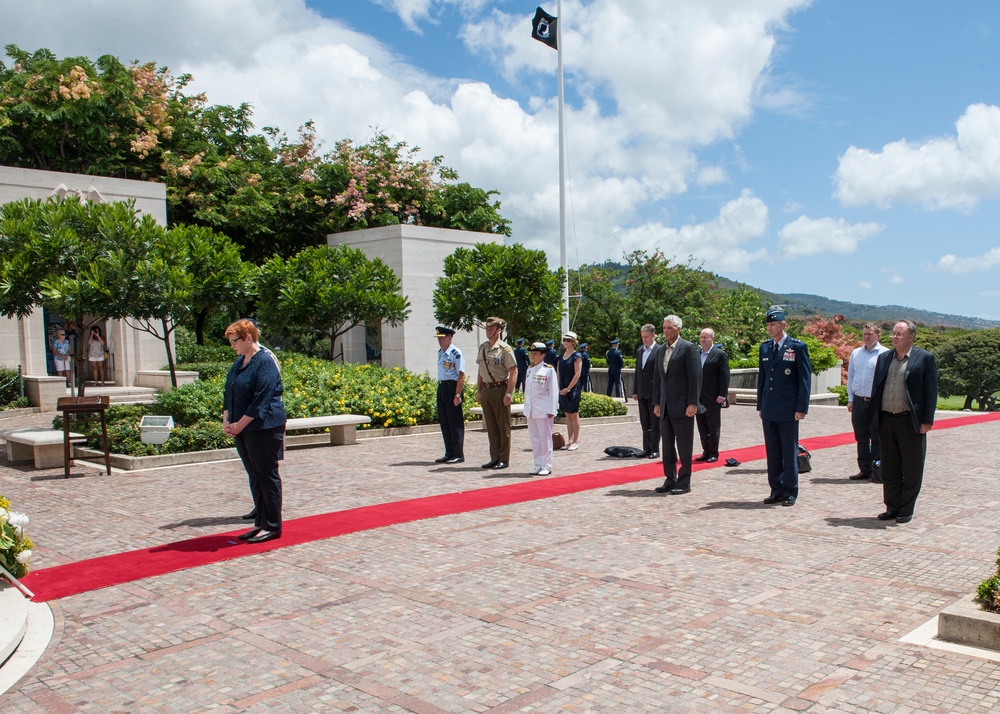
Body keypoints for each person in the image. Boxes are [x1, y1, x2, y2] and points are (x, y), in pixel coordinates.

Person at [223, 319, 287, 544]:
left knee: (266, 475)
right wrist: (227, 419)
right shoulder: (239, 362)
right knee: (255, 476)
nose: (232, 346)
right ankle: (260, 523)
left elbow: (262, 399)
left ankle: (272, 526)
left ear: (248, 338)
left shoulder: (265, 361)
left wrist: (239, 424)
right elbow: (229, 391)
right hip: (242, 428)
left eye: (235, 341)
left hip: (264, 427)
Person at [868, 320, 937, 524]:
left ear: (911, 337)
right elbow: (876, 389)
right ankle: (892, 506)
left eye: (900, 334)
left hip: (910, 421)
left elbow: (930, 392)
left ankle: (906, 509)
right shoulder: (884, 358)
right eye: (894, 334)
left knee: (912, 468)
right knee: (889, 468)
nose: (895, 337)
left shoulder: (924, 358)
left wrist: (926, 421)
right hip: (887, 420)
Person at [756, 307, 811, 507]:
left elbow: (804, 379)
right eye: (768, 325)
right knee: (772, 451)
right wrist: (760, 405)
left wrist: (801, 407)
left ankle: (789, 491)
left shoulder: (796, 347)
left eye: (773, 325)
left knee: (789, 452)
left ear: (783, 325)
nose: (770, 328)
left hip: (788, 408)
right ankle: (776, 489)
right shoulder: (764, 348)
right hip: (770, 407)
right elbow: (762, 379)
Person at [652, 315, 702, 495]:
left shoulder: (688, 348)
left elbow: (695, 377)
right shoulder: (660, 350)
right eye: (664, 327)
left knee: (684, 445)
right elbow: (658, 379)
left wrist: (692, 403)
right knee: (667, 446)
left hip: (683, 406)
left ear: (678, 329)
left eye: (669, 328)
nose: (666, 331)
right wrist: (657, 402)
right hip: (665, 406)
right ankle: (670, 478)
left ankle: (684, 481)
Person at [847, 323, 889, 482]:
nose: (866, 337)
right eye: (864, 334)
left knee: (876, 437)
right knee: (861, 437)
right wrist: (850, 399)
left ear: (877, 335)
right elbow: (851, 376)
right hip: (859, 400)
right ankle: (864, 469)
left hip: (875, 402)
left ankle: (876, 469)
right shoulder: (856, 353)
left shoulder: (885, 354)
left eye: (870, 334)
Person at [476, 316, 518, 470]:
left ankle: (504, 458)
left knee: (503, 427)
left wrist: (508, 393)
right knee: (491, 427)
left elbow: (513, 371)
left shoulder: (504, 349)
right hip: (487, 389)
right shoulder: (483, 348)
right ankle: (494, 457)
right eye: (487, 329)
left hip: (500, 389)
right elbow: (480, 371)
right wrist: (479, 391)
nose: (488, 331)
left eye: (491, 329)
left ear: (499, 330)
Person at [523, 341, 559, 475]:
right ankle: (538, 464)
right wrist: (526, 409)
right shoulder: (530, 370)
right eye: (531, 353)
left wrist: (552, 409)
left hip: (543, 410)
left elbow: (553, 391)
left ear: (543, 355)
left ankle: (547, 465)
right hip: (531, 410)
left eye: (536, 353)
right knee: (535, 439)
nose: (533, 356)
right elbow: (528, 391)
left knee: (545, 439)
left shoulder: (548, 370)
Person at [695, 328, 730, 463]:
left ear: (712, 339)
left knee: (713, 426)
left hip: (714, 397)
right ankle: (705, 450)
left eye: (706, 337)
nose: (703, 339)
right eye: (701, 337)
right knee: (702, 426)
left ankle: (713, 452)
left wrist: (722, 394)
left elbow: (725, 376)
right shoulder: (697, 354)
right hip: (699, 397)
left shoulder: (719, 354)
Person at [434, 326, 466, 465]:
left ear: (449, 337)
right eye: (438, 338)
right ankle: (449, 452)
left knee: (455, 422)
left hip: (452, 387)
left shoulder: (456, 353)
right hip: (442, 387)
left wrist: (457, 394)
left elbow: (461, 375)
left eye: (442, 338)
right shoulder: (440, 352)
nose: (440, 340)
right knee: (445, 421)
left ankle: (458, 453)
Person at [632, 324, 660, 459]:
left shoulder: (660, 350)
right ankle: (646, 448)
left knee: (655, 423)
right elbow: (638, 372)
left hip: (654, 392)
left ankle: (655, 448)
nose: (645, 340)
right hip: (642, 392)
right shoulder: (640, 351)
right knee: (645, 422)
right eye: (643, 337)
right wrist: (635, 390)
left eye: (647, 337)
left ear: (653, 335)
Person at [557, 331, 584, 450]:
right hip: (562, 387)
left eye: (568, 340)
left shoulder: (576, 356)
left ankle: (575, 441)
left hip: (573, 388)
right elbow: (558, 372)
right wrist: (559, 387)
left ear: (574, 342)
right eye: (564, 340)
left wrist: (568, 389)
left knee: (574, 414)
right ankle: (570, 440)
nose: (565, 342)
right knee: (567, 415)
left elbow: (577, 374)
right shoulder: (561, 356)